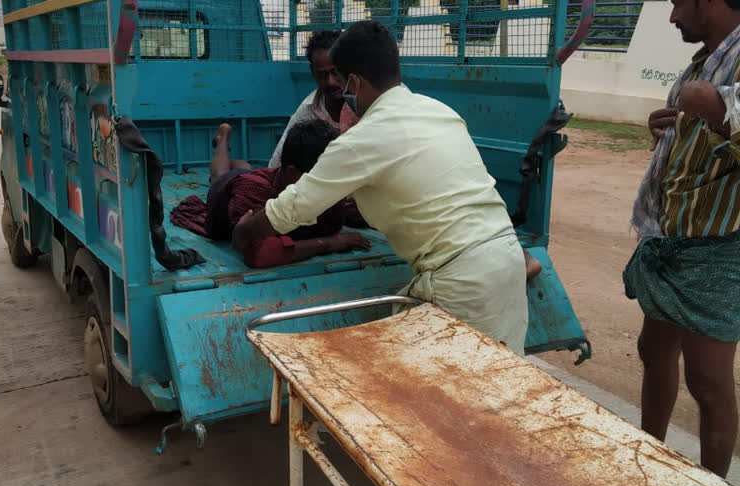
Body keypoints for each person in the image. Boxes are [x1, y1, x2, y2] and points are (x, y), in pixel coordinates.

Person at [233, 21, 528, 354]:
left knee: (438, 394)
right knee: (501, 384)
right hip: (509, 260)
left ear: (355, 83)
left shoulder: (362, 139)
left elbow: (294, 208)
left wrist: (245, 231)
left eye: (344, 85)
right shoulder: (440, 111)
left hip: (462, 282)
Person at [625, 0, 740, 478]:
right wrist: (672, 124)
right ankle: (650, 459)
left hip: (718, 245)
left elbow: (723, 115)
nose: (672, 17)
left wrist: (719, 108)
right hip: (671, 237)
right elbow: (703, 133)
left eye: (677, 3)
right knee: (655, 351)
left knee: (709, 382)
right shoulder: (703, 62)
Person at [207, 119, 370, 267]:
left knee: (245, 170)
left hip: (265, 175)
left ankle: (239, 164)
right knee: (219, 177)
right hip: (226, 189)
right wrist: (327, 243)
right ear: (292, 172)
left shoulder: (327, 180)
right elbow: (259, 252)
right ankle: (223, 137)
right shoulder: (252, 190)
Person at [268, 30, 359, 168]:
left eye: (335, 72)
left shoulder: (367, 104)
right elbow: (277, 165)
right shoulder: (307, 111)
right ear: (312, 72)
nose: (331, 82)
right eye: (322, 75)